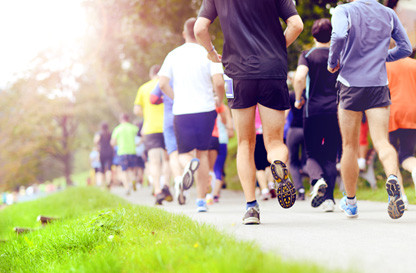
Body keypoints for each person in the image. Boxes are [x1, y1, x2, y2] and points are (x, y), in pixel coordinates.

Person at [194, 0, 303, 224]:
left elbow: (199, 29)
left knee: (245, 143)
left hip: (239, 73)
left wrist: (211, 52)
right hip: (272, 69)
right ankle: (277, 166)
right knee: (274, 142)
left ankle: (251, 208)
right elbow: (296, 25)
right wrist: (276, 47)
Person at [328, 0, 412, 219]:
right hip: (378, 84)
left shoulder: (344, 10)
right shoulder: (387, 13)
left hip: (350, 84)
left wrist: (333, 61)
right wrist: (382, 57)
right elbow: (405, 48)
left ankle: (351, 202)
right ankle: (393, 178)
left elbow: (337, 36)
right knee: (382, 141)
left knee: (350, 146)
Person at [158, 18, 225, 212]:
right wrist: (218, 101)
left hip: (182, 111)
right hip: (206, 110)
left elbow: (162, 83)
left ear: (183, 33)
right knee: (202, 154)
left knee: (183, 154)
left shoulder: (173, 55)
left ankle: (189, 164)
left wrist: (176, 97)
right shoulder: (208, 53)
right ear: (200, 32)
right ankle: (201, 201)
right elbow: (219, 83)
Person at [294, 19, 342, 212]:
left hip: (312, 111)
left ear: (313, 36)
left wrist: (298, 98)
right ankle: (329, 200)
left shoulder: (307, 55)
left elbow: (299, 77)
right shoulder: (338, 56)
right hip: (336, 111)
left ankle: (317, 180)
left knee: (311, 153)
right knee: (331, 155)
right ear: (332, 36)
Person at [134, 65, 172, 205]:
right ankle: (166, 186)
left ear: (151, 75)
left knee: (154, 161)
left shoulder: (143, 88)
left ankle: (157, 191)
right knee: (167, 159)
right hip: (167, 126)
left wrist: (146, 113)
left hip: (150, 128)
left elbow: (137, 110)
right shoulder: (167, 85)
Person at [150, 80, 188, 205]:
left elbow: (153, 98)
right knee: (186, 152)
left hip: (166, 122)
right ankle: (186, 171)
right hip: (185, 117)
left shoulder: (164, 79)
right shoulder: (185, 75)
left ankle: (177, 180)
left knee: (172, 154)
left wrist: (164, 98)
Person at [386, 53, 416, 209]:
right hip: (413, 112)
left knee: (390, 153)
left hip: (391, 112)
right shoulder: (414, 65)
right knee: (407, 155)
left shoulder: (384, 65)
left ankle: (400, 196)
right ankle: (415, 169)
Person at [111, 114, 140, 195]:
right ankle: (133, 179)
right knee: (132, 169)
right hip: (132, 151)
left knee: (124, 170)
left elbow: (112, 142)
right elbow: (140, 135)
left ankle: (127, 187)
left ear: (120, 120)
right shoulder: (132, 128)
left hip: (122, 151)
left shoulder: (117, 129)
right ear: (128, 119)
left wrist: (118, 144)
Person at [94, 122, 114, 188]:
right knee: (109, 168)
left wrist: (98, 147)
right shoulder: (110, 133)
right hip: (109, 152)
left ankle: (103, 185)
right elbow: (112, 143)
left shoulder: (99, 133)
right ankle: (108, 182)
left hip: (102, 153)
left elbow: (95, 141)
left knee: (102, 169)